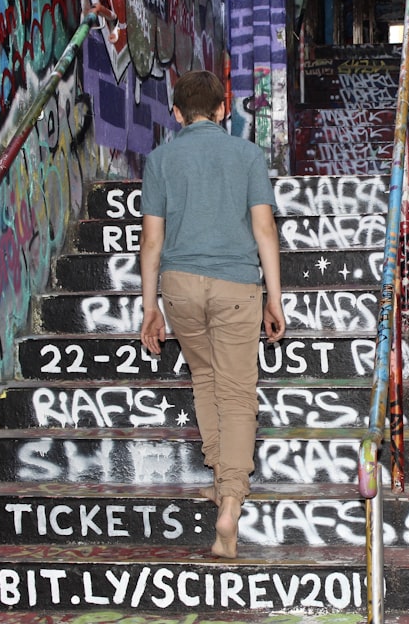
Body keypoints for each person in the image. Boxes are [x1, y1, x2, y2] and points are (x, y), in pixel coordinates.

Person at [138, 69, 286, 559]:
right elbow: (264, 229)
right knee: (239, 394)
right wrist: (274, 297)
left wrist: (149, 308)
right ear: (225, 110)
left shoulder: (160, 159)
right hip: (235, 285)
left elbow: (151, 241)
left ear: (176, 114)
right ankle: (230, 501)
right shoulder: (246, 155)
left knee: (205, 378)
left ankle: (219, 475)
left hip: (180, 287)